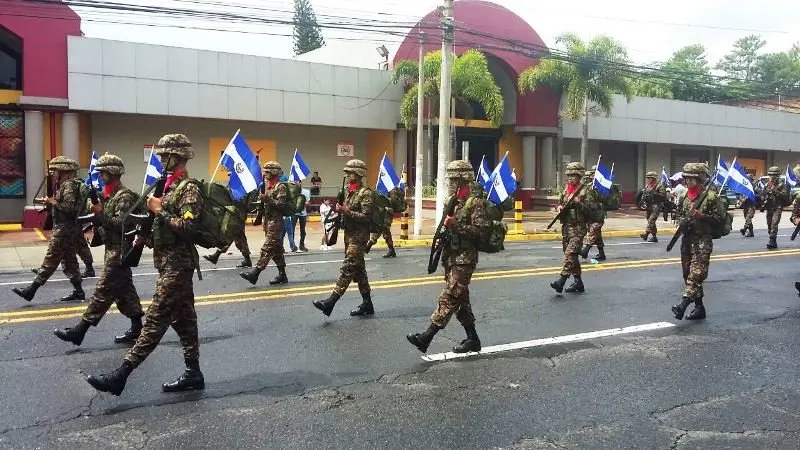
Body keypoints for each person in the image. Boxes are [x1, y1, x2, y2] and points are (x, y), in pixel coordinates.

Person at [86, 133, 206, 395]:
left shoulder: (189, 189)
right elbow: (166, 231)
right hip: (168, 264)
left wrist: (159, 210)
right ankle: (193, 373)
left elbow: (188, 227)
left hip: (178, 266)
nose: (162, 159)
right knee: (185, 321)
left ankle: (121, 375)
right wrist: (145, 238)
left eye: (165, 155)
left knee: (154, 321)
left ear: (177, 156)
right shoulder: (169, 188)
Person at [53, 154, 144, 346]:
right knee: (125, 290)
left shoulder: (124, 197)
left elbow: (119, 224)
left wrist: (99, 213)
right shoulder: (109, 195)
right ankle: (137, 328)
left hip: (120, 250)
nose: (101, 176)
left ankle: (80, 331)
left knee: (103, 290)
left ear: (113, 172)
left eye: (103, 173)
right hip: (112, 248)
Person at [406, 160, 489, 354]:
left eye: (454, 179)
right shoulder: (452, 202)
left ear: (463, 180)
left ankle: (426, 336)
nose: (450, 182)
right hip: (451, 257)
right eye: (449, 179)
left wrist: (456, 225)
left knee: (449, 296)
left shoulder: (475, 203)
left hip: (465, 258)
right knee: (461, 302)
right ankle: (473, 339)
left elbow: (481, 232)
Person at [12, 156, 87, 302]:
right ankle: (78, 291)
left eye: (55, 171)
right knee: (69, 260)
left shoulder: (68, 185)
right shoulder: (71, 184)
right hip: (71, 228)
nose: (53, 174)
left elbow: (69, 208)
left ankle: (31, 290)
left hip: (64, 229)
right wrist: (51, 202)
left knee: (51, 259)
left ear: (64, 171)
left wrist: (51, 202)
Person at [312, 159, 374, 317]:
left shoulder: (366, 193)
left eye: (349, 173)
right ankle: (367, 304)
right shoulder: (347, 191)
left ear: (358, 174)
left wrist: (346, 211)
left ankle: (330, 302)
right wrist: (340, 210)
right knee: (359, 271)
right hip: (348, 235)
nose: (346, 175)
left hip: (359, 238)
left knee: (347, 269)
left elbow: (366, 217)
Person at [671, 162, 726, 321]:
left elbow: (719, 219)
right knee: (687, 274)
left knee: (696, 275)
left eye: (693, 178)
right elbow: (679, 215)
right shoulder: (684, 196)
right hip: (687, 240)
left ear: (700, 179)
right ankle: (699, 308)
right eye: (687, 178)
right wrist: (683, 221)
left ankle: (682, 305)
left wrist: (702, 217)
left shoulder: (710, 197)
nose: (689, 181)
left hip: (703, 241)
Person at [550, 162, 599, 294]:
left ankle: (561, 280)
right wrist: (559, 208)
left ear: (579, 176)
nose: (570, 178)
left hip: (578, 228)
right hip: (566, 228)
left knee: (570, 254)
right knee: (573, 256)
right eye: (569, 175)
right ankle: (578, 282)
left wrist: (579, 203)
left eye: (573, 175)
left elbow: (592, 211)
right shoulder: (566, 190)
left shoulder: (586, 191)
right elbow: (560, 204)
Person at [239, 162, 290, 285]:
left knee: (267, 248)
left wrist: (268, 199)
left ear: (274, 172)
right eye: (265, 171)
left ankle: (255, 273)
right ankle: (282, 275)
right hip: (268, 221)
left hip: (276, 222)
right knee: (276, 250)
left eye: (267, 171)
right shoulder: (266, 185)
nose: (265, 174)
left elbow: (282, 206)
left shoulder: (280, 187)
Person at [639, 171, 666, 242]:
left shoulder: (660, 186)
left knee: (652, 219)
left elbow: (663, 196)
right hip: (649, 205)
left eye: (650, 178)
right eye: (648, 178)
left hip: (656, 205)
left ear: (653, 178)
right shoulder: (647, 186)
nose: (648, 179)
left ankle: (646, 234)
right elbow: (644, 194)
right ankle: (654, 237)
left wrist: (655, 193)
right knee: (650, 220)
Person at [289, 181, 311, 252]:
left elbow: (308, 202)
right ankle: (292, 246)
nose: (297, 183)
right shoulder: (292, 191)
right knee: (292, 230)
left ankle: (302, 245)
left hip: (303, 213)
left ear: (301, 183)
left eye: (298, 182)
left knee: (303, 230)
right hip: (294, 213)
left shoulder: (306, 191)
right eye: (295, 182)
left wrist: (301, 202)